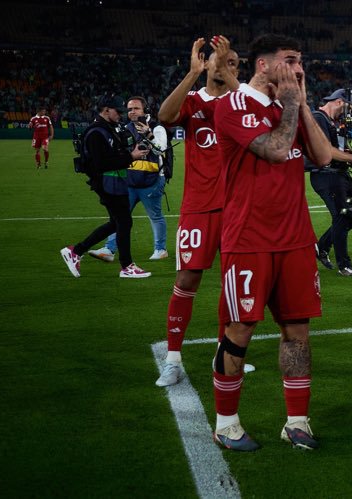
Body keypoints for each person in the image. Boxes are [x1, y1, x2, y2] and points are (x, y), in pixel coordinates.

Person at [208, 34, 334, 452]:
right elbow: (277, 150)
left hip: (296, 240)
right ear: (263, 65)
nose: (299, 68)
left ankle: (297, 421)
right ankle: (226, 424)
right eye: (291, 60)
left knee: (297, 331)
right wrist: (293, 104)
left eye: (301, 61)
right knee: (239, 329)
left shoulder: (289, 107)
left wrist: (299, 100)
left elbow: (323, 157)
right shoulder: (232, 106)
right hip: (248, 240)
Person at [153, 35, 244, 387]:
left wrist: (227, 73)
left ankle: (226, 353)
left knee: (231, 284)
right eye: (219, 60)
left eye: (233, 62)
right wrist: (193, 73)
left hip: (238, 209)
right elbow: (164, 115)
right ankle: (173, 358)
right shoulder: (193, 102)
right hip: (199, 208)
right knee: (187, 279)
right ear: (205, 63)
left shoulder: (242, 103)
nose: (224, 66)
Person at [60, 98, 151, 279]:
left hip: (114, 182)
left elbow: (113, 155)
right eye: (117, 111)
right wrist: (131, 156)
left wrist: (132, 151)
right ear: (106, 110)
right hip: (108, 183)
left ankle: (76, 251)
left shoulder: (106, 129)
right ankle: (126, 266)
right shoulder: (96, 132)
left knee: (116, 222)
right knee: (124, 222)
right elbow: (101, 164)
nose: (120, 115)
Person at [308, 89, 352, 277]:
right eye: (348, 107)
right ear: (340, 102)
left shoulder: (334, 122)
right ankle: (344, 266)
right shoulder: (318, 118)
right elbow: (327, 150)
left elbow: (342, 149)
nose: (348, 113)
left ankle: (321, 247)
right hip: (325, 175)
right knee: (342, 216)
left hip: (341, 174)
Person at [89, 96, 170, 262]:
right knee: (120, 217)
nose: (132, 112)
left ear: (144, 110)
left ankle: (160, 249)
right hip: (130, 180)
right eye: (130, 109)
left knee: (155, 216)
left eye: (136, 108)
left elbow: (161, 150)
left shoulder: (156, 127)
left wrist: (149, 134)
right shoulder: (124, 128)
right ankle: (109, 249)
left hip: (151, 180)